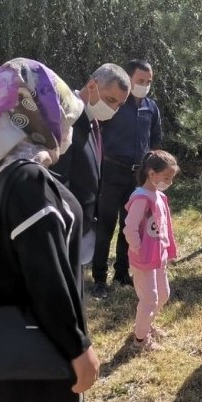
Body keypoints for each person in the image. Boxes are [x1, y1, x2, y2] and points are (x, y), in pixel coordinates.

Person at [0, 58, 99, 402]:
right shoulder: (27, 181)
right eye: (64, 113)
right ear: (36, 114)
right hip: (34, 350)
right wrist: (79, 347)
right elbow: (45, 273)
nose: (69, 126)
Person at [50, 63, 131, 298]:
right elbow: (57, 177)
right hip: (65, 225)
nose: (114, 108)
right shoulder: (67, 118)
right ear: (92, 85)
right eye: (110, 99)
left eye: (119, 104)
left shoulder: (92, 121)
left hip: (81, 226)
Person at [87, 59, 162, 296]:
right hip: (111, 172)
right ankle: (99, 278)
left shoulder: (151, 107)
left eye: (148, 82)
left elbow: (155, 140)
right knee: (106, 227)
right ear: (129, 79)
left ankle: (121, 273)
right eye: (140, 81)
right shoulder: (116, 104)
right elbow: (97, 133)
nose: (145, 85)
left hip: (138, 176)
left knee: (130, 228)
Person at [124, 150, 179, 352]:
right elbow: (130, 228)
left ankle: (146, 325)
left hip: (159, 257)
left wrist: (169, 250)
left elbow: (165, 228)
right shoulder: (141, 198)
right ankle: (140, 340)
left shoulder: (160, 197)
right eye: (166, 177)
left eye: (172, 178)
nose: (169, 182)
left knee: (163, 295)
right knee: (149, 299)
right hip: (144, 259)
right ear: (151, 173)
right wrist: (138, 250)